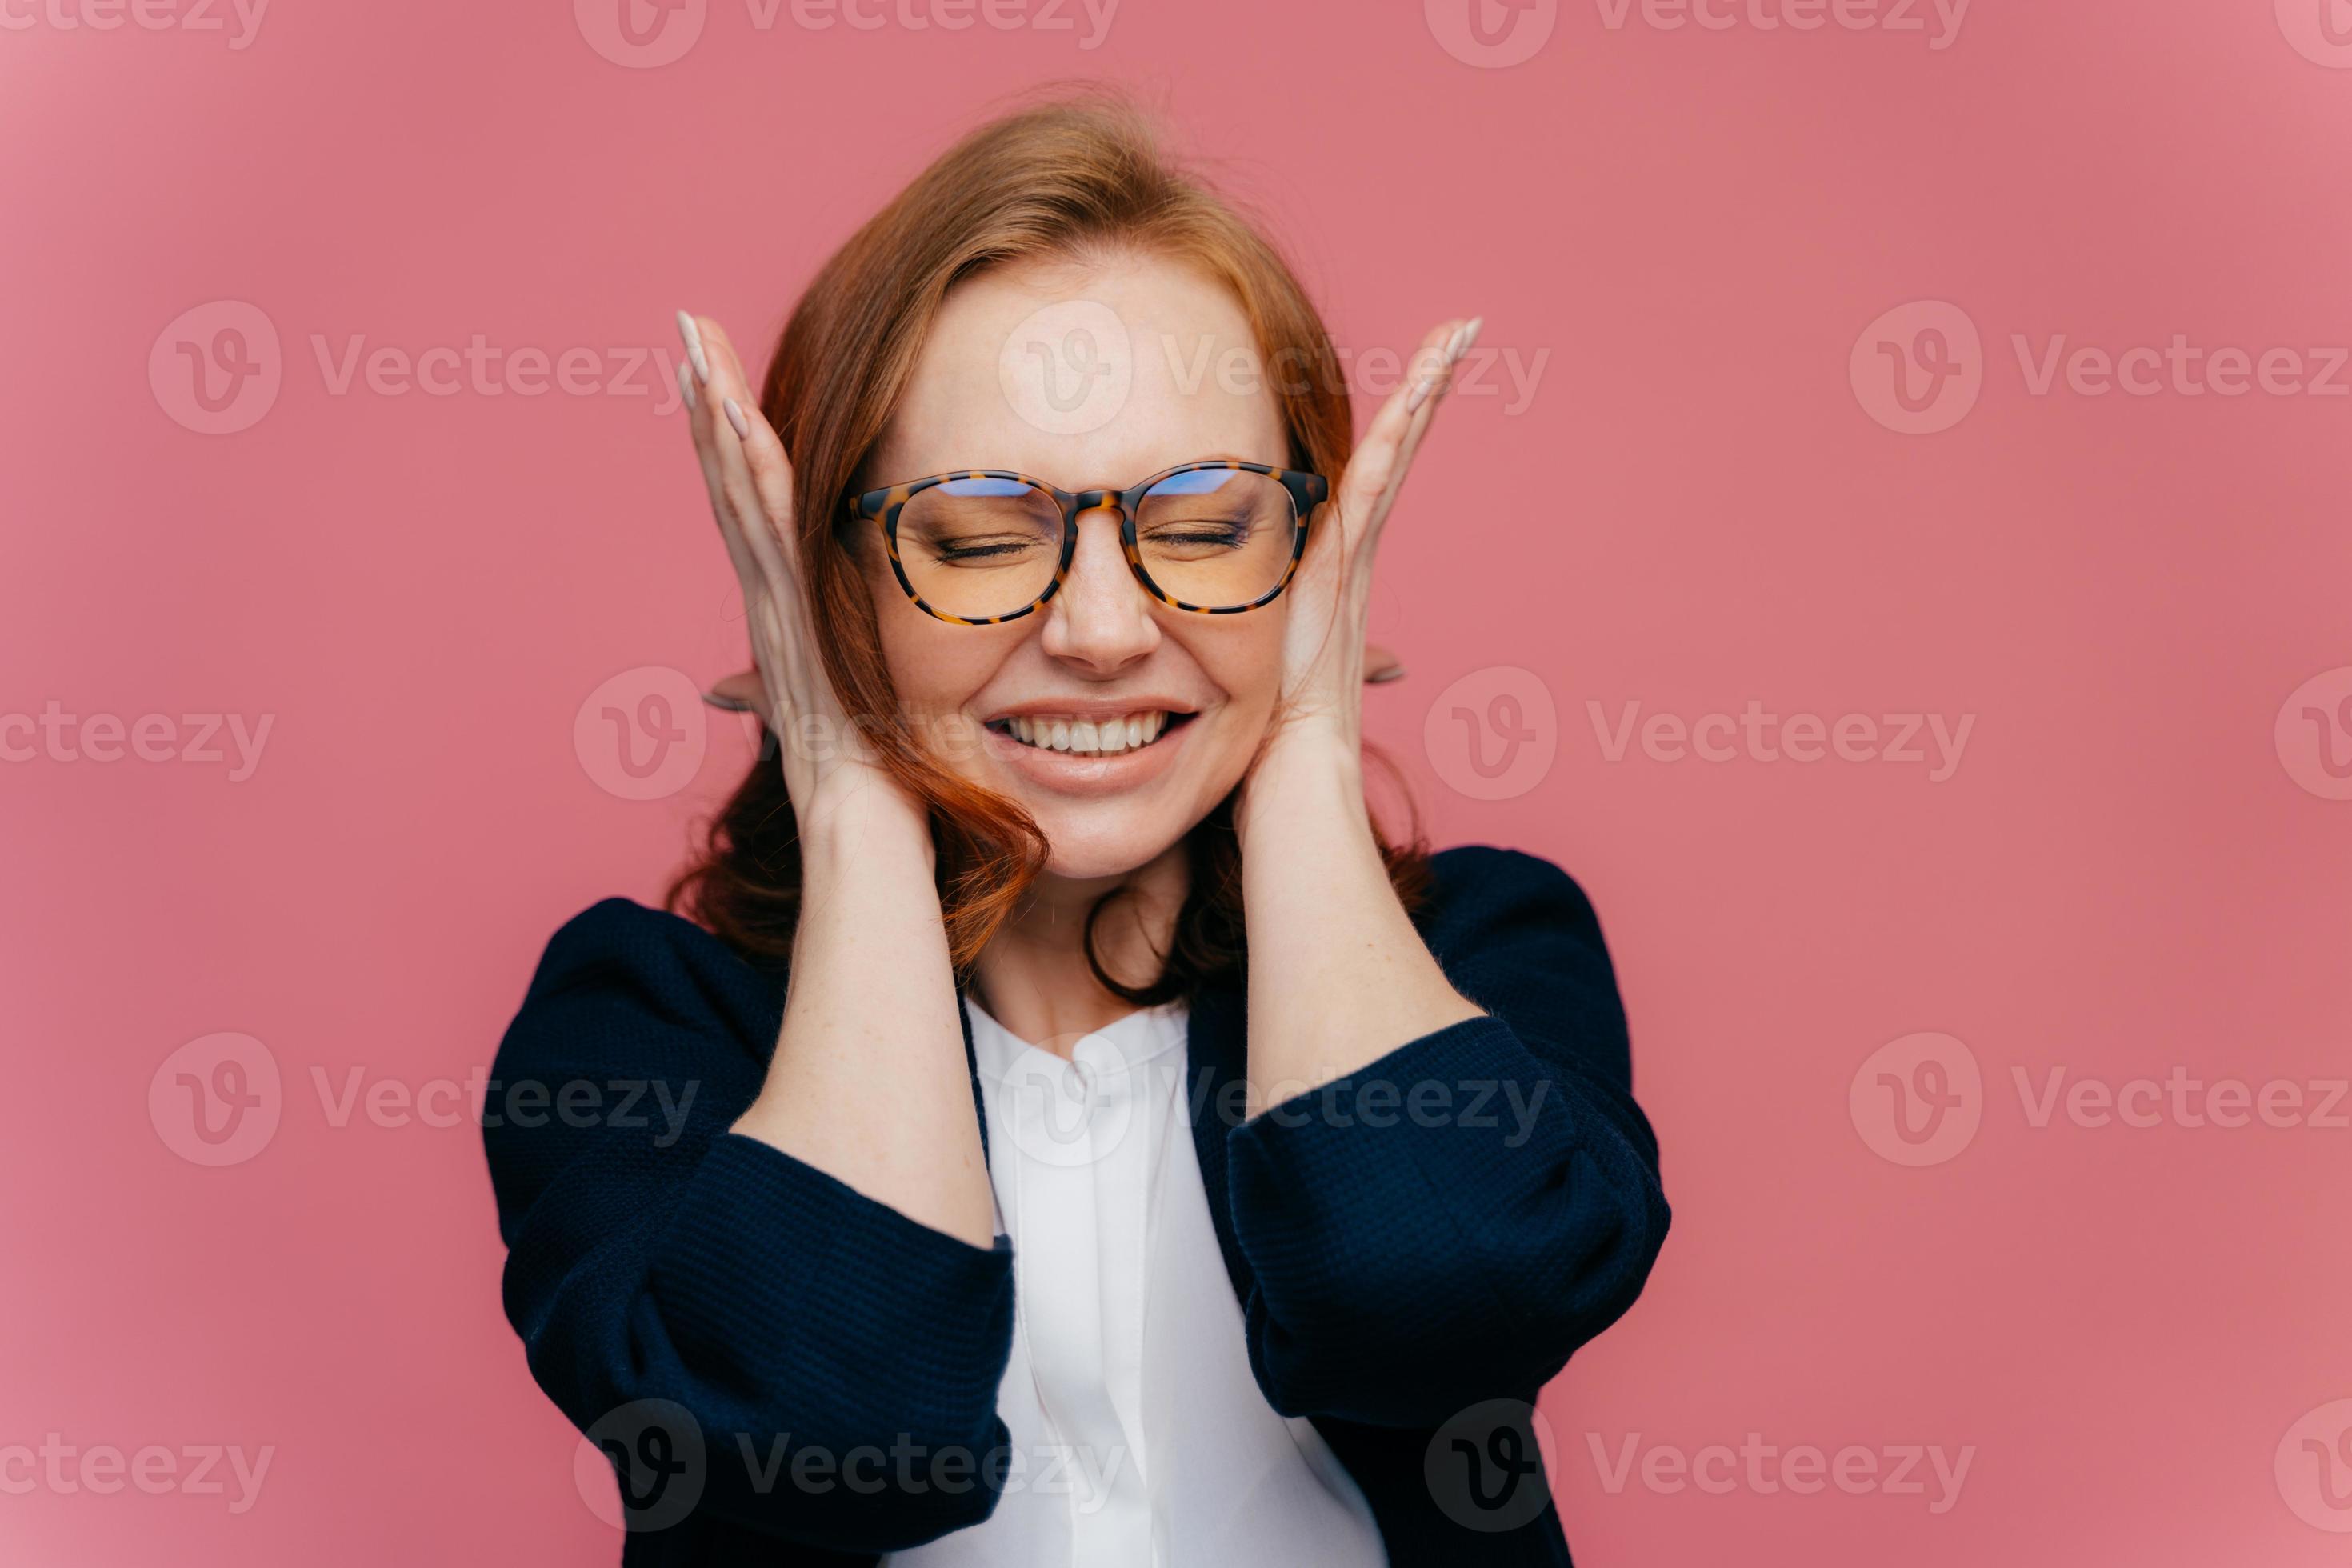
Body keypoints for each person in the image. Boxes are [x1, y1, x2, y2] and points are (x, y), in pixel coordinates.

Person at [485, 92, 1670, 1568]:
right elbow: (827, 1429)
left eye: (1204, 526)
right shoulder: (643, 1035)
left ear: (1313, 561)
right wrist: (850, 794)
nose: (1104, 631)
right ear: (824, 588)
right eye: (978, 538)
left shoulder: (1487, 953)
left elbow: (1432, 1304)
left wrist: (1297, 746)